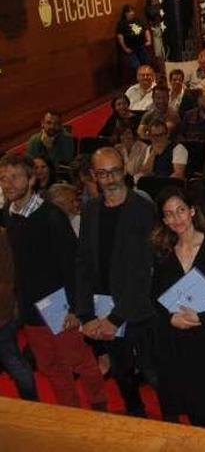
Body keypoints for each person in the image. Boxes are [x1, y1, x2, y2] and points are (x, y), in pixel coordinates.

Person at [0, 154, 108, 410]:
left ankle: (101, 409)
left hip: (59, 305)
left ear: (31, 179)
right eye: (4, 178)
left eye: (15, 177)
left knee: (80, 361)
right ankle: (69, 413)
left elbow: (73, 266)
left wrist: (75, 308)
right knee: (50, 366)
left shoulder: (51, 217)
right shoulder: (7, 214)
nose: (8, 184)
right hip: (29, 307)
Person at [76, 147, 159, 418]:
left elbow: (144, 272)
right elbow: (84, 263)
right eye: (102, 174)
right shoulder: (89, 210)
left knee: (152, 370)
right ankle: (136, 412)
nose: (109, 179)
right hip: (101, 308)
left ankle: (172, 421)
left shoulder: (143, 209)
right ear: (93, 176)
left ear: (124, 171)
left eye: (114, 172)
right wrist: (86, 314)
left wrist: (116, 317)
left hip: (135, 309)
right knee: (121, 370)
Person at [150, 187, 205, 430]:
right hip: (176, 341)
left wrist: (202, 317)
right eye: (169, 214)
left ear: (192, 211)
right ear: (163, 220)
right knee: (189, 411)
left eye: (181, 211)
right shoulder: (162, 252)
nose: (176, 219)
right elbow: (155, 297)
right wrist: (170, 318)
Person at [0, 226, 38, 401]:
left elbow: (8, 276)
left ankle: (32, 407)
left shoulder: (1, 235)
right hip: (5, 310)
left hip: (2, 313)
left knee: (14, 362)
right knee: (14, 362)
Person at [116, 4, 151, 72]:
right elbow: (120, 37)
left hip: (142, 46)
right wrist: (125, 48)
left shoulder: (138, 20)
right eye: (130, 12)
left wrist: (149, 40)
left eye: (132, 11)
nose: (132, 13)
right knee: (136, 65)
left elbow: (146, 30)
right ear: (126, 13)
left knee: (146, 61)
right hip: (131, 49)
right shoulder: (122, 23)